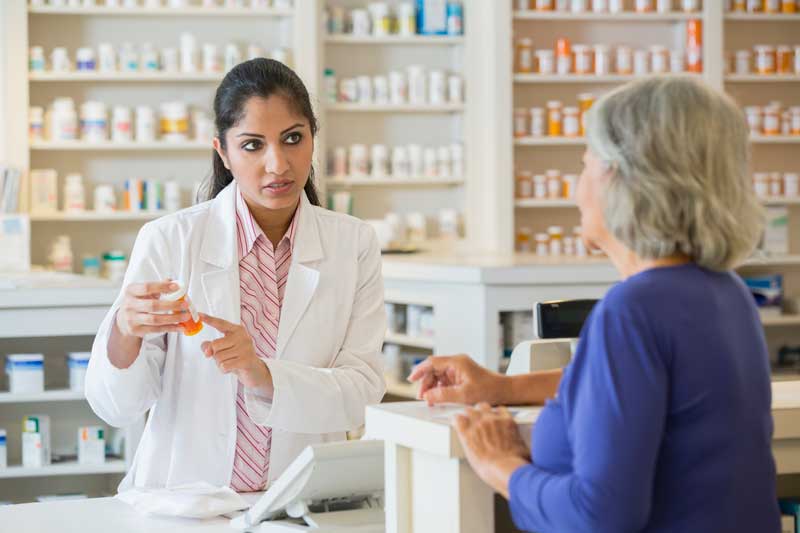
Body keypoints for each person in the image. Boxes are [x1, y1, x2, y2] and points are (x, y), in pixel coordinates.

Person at [409, 76, 780, 532]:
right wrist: (499, 388)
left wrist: (499, 465)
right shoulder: (725, 292)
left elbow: (598, 518)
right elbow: (628, 388)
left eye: (586, 165)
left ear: (625, 179)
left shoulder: (634, 309)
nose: (576, 189)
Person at [86, 58, 386, 492]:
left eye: (292, 139)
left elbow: (363, 392)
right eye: (252, 145)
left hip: (302, 498)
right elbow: (117, 407)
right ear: (222, 151)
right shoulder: (170, 239)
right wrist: (125, 331)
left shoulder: (353, 244)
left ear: (312, 139)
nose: (278, 164)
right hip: (186, 501)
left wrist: (262, 374)